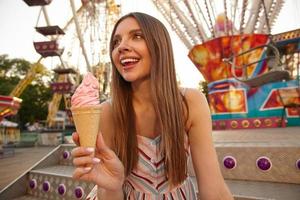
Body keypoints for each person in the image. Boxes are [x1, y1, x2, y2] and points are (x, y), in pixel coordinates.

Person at [71, 12, 233, 200]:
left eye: (137, 36)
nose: (121, 47)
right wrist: (111, 185)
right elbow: (109, 193)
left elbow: (213, 188)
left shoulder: (191, 102)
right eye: (116, 42)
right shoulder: (107, 112)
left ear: (159, 45)